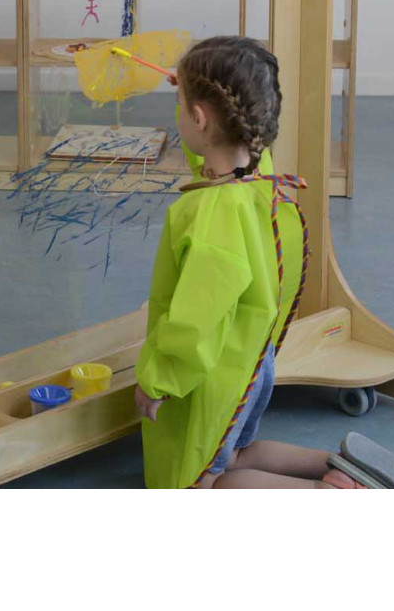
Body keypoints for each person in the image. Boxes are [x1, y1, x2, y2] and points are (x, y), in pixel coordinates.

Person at [133, 36, 363, 489]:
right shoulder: (259, 176)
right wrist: (200, 99)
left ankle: (322, 493)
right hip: (253, 361)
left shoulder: (208, 212)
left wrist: (159, 379)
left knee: (205, 481)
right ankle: (335, 464)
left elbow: (197, 315)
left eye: (180, 107)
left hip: (216, 376)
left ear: (199, 118)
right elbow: (222, 151)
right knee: (235, 452)